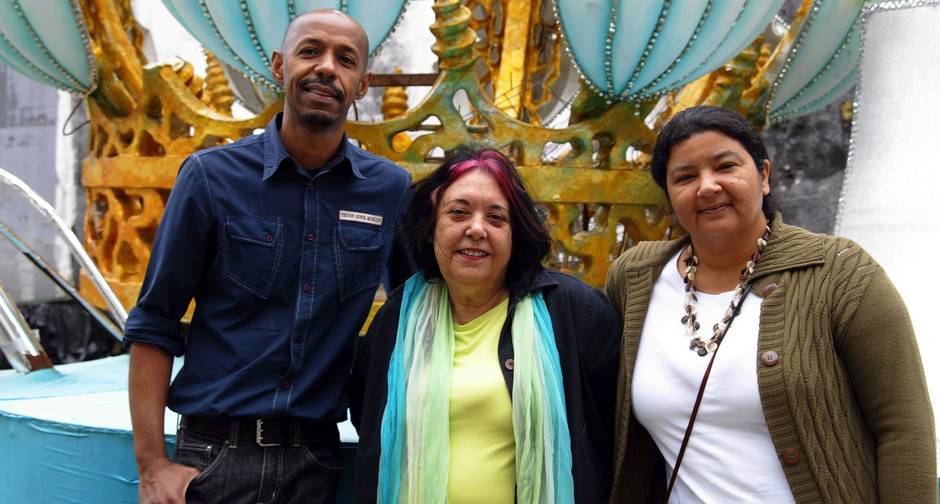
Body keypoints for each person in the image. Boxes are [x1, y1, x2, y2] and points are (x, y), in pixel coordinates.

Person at [125, 9, 412, 504]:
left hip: (317, 462)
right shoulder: (211, 178)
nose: (326, 67)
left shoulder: (389, 190)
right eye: (310, 51)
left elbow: (419, 316)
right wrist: (152, 465)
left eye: (345, 60)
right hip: (211, 458)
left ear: (362, 84)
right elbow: (154, 322)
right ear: (280, 66)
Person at [605, 105, 936, 502]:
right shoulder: (635, 278)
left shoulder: (840, 273)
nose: (707, 186)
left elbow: (903, 428)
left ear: (763, 176)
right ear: (670, 196)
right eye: (685, 177)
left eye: (725, 166)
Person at [349, 145, 621, 503]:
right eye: (458, 213)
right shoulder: (397, 321)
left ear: (515, 235)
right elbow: (367, 417)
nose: (476, 229)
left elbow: (616, 431)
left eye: (496, 218)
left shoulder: (572, 311)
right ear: (431, 228)